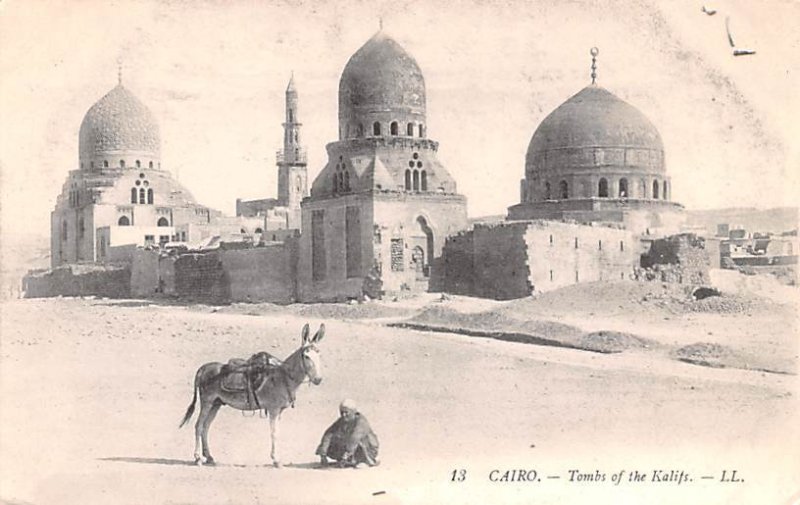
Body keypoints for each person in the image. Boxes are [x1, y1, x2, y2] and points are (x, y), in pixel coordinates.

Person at [316, 399, 379, 468]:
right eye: (342, 412)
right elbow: (329, 433)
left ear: (353, 412)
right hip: (350, 449)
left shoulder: (361, 422)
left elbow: (354, 438)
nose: (344, 415)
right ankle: (349, 460)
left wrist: (345, 456)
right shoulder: (341, 421)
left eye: (346, 412)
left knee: (359, 442)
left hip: (368, 448)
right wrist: (323, 453)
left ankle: (364, 461)